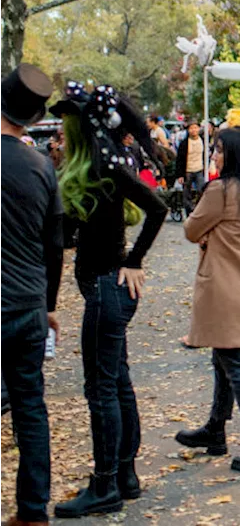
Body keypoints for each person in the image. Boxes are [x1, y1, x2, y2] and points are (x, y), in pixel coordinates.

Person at [51, 82, 167, 517]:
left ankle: (105, 485)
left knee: (101, 387)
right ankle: (125, 474)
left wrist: (135, 260)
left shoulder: (107, 170)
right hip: (103, 287)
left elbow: (157, 208)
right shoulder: (93, 170)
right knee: (116, 380)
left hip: (107, 287)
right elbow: (68, 238)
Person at [176, 127, 240, 473]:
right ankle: (215, 429)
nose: (214, 156)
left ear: (233, 154)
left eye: (219, 150)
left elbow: (191, 230)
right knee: (224, 360)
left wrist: (209, 230)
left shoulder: (222, 190)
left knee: (236, 366)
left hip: (225, 287)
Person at [0, 65, 63, 526]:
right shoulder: (42, 167)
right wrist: (49, 304)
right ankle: (33, 510)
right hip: (28, 305)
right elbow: (54, 245)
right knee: (29, 406)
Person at [175, 121, 206, 216]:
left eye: (195, 128)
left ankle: (199, 209)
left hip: (199, 169)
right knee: (186, 193)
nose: (194, 130)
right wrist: (180, 175)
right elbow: (179, 159)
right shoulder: (184, 143)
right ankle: (189, 211)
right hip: (187, 170)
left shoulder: (203, 141)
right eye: (191, 128)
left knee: (202, 189)